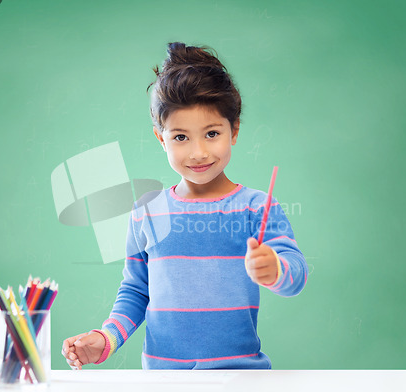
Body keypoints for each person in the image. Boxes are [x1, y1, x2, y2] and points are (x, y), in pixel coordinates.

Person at [62, 42, 308, 370]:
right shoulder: (145, 211)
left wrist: (275, 269)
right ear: (160, 138)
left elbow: (296, 273)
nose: (198, 153)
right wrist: (107, 338)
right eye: (180, 137)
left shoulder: (256, 207)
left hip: (239, 380)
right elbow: (136, 290)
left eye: (211, 133)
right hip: (163, 384)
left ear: (233, 131)